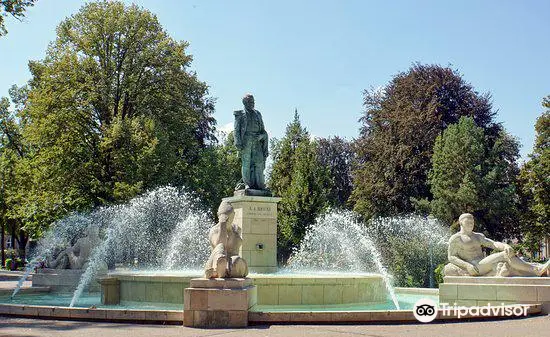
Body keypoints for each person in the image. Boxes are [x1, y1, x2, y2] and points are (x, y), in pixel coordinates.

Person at [445, 213, 550, 277]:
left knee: (508, 257)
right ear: (461, 223)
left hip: (482, 263)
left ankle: (537, 270)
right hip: (474, 267)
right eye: (468, 223)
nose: (471, 225)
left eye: (472, 223)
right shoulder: (456, 238)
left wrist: (505, 246)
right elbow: (451, 257)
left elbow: (493, 243)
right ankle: (537, 269)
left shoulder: (477, 236)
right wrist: (467, 265)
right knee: (505, 255)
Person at [233, 93, 269, 191]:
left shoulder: (258, 114)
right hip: (246, 141)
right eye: (250, 102)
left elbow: (263, 131)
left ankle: (260, 184)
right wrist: (238, 143)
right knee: (246, 163)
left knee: (259, 163)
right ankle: (247, 184)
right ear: (244, 103)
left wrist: (262, 136)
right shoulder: (240, 114)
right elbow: (236, 130)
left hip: (257, 141)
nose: (253, 103)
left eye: (253, 101)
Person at [204, 200, 248, 278]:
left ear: (234, 215)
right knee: (220, 248)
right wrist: (222, 224)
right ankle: (218, 270)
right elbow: (220, 244)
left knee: (236, 261)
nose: (227, 219)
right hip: (216, 261)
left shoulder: (236, 229)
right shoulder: (214, 230)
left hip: (232, 260)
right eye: (224, 216)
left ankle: (226, 270)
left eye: (229, 216)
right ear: (219, 216)